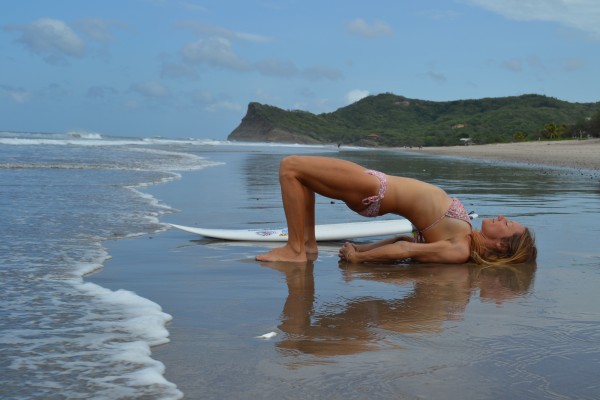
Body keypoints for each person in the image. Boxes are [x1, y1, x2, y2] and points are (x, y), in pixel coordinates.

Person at [255, 155, 536, 265]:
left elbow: (405, 252)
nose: (501, 217)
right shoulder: (464, 238)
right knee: (303, 176)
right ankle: (307, 245)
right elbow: (405, 241)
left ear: (501, 245)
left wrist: (359, 260)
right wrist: (360, 249)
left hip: (374, 190)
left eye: (507, 223)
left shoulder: (459, 249)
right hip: (376, 184)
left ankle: (295, 250)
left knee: (290, 167)